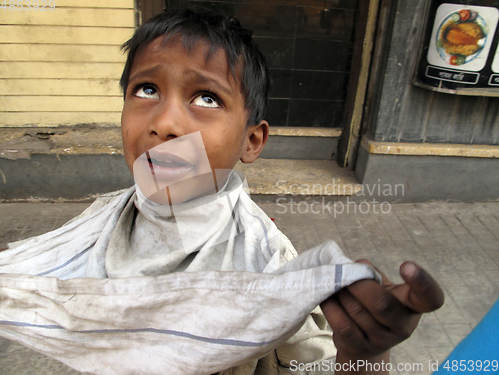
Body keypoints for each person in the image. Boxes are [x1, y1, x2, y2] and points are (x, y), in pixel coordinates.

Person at [0, 6, 444, 375]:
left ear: (251, 141)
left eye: (206, 98)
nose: (166, 123)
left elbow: (318, 365)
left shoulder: (266, 265)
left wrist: (366, 356)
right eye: (147, 89)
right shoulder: (99, 222)